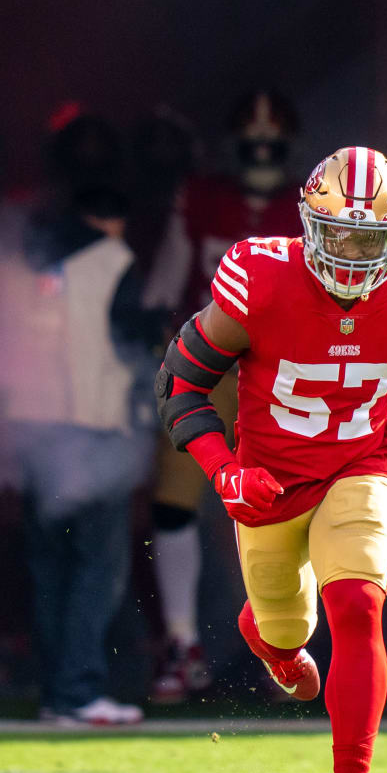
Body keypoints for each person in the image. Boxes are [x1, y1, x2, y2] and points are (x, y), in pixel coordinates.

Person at [154, 147, 387, 773]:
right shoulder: (260, 277)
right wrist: (224, 470)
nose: (354, 256)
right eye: (341, 236)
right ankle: (270, 637)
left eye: (372, 240)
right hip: (268, 480)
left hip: (360, 460)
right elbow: (180, 384)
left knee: (358, 605)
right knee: (290, 646)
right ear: (307, 225)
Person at [142, 91, 301, 703]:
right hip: (206, 367)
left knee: (285, 510)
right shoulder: (204, 198)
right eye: (251, 140)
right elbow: (166, 286)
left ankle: (283, 641)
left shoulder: (307, 205)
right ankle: (184, 642)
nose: (261, 149)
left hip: (281, 375)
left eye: (272, 140)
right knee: (175, 505)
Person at [7, 183, 162, 725]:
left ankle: (57, 691)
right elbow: (128, 345)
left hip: (32, 429)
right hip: (93, 427)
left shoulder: (25, 260)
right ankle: (79, 690)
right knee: (96, 567)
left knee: (49, 566)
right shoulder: (112, 260)